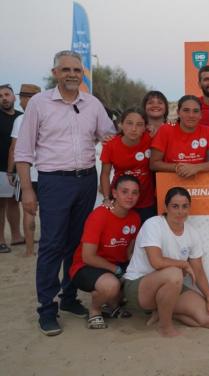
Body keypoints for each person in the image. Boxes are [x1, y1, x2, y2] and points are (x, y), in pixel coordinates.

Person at [15, 50, 117, 335]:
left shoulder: (92, 104)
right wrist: (27, 190)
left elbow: (107, 136)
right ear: (55, 72)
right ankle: (47, 309)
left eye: (77, 70)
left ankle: (69, 299)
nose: (72, 74)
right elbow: (23, 152)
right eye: (66, 69)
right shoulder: (39, 104)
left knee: (76, 244)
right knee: (51, 245)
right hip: (53, 182)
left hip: (86, 180)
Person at [123, 187, 209, 337]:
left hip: (170, 288)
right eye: (175, 206)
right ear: (166, 207)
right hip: (138, 287)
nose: (180, 211)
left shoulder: (192, 233)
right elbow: (156, 262)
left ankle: (162, 312)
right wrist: (183, 264)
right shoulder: (153, 224)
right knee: (175, 273)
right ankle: (165, 327)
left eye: (184, 206)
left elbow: (199, 271)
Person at [69, 175, 141, 329]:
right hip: (85, 267)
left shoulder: (135, 218)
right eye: (125, 191)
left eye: (135, 193)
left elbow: (129, 252)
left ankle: (112, 303)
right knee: (111, 285)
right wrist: (116, 270)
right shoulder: (99, 215)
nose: (130, 196)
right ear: (114, 193)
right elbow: (88, 257)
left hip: (114, 266)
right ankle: (95, 310)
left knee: (134, 286)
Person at [100, 109, 156, 223]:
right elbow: (105, 174)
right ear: (121, 124)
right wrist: (106, 198)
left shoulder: (150, 139)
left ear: (145, 127)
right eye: (129, 123)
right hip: (120, 201)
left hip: (146, 202)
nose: (134, 129)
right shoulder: (111, 145)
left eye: (139, 125)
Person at [150, 95, 209, 178]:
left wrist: (197, 168)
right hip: (170, 184)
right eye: (186, 110)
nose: (191, 115)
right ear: (178, 112)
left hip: (198, 186)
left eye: (195, 111)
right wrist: (178, 168)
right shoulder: (165, 129)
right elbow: (154, 164)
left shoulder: (207, 131)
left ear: (201, 114)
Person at [7, 83, 41, 257]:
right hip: (47, 172)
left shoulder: (20, 120)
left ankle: (29, 250)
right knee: (48, 213)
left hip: (27, 173)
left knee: (29, 212)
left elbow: (14, 148)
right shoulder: (48, 115)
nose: (20, 101)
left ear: (29, 99)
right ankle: (46, 248)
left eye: (22, 97)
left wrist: (10, 171)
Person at [0, 84, 24, 253]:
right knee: (0, 205)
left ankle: (16, 236)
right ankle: (1, 240)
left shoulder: (21, 117)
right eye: (0, 96)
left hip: (17, 167)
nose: (4, 98)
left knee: (14, 202)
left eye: (7, 94)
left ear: (14, 97)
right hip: (0, 168)